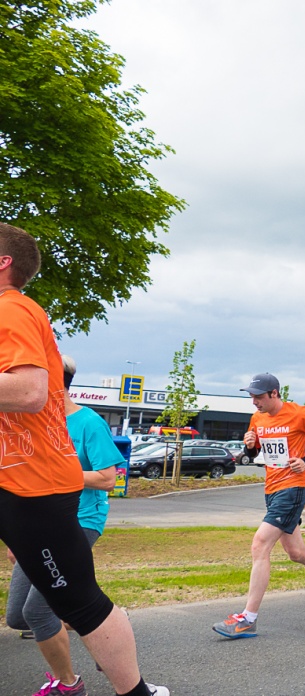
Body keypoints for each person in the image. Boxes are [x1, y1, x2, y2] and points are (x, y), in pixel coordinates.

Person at [0, 223, 168, 696]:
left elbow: (30, 391)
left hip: (32, 485)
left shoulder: (10, 308)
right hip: (16, 480)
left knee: (78, 604)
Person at [6, 355, 123, 696]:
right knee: (18, 617)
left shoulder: (88, 423)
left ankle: (68, 685)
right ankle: (111, 623)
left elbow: (107, 479)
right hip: (36, 524)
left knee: (37, 610)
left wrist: (61, 474)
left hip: (81, 521)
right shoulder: (34, 424)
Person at [213, 373, 305, 639]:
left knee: (260, 544)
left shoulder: (298, 414)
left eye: (259, 396)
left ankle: (248, 619)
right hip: (272, 488)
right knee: (297, 553)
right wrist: (250, 446)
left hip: (294, 486)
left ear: (274, 393)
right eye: (252, 396)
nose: (254, 402)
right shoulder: (258, 417)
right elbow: (256, 453)